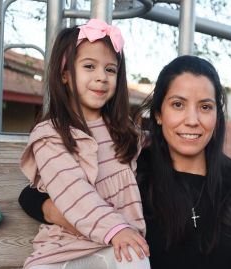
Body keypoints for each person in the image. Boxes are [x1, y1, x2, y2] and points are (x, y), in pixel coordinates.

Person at [19, 55, 231, 269]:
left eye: (205, 107)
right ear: (159, 114)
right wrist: (78, 220)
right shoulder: (130, 169)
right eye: (178, 105)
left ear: (216, 115)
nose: (192, 120)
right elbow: (32, 196)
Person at [19, 19, 150, 269]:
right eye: (89, 66)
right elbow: (74, 191)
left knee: (136, 258)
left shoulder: (126, 134)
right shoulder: (51, 135)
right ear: (66, 75)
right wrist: (115, 228)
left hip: (115, 247)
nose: (101, 77)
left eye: (110, 70)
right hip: (64, 252)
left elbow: (159, 146)